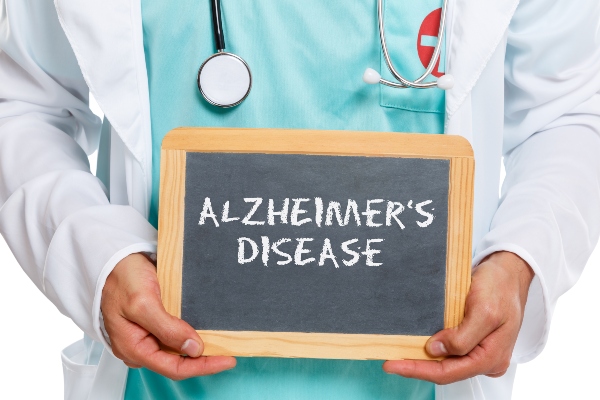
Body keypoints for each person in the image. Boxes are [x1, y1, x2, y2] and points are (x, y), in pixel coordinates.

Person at [1, 0, 599, 399]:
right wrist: (94, 258)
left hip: (429, 372)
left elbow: (568, 110)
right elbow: (24, 102)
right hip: (161, 380)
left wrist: (522, 258)